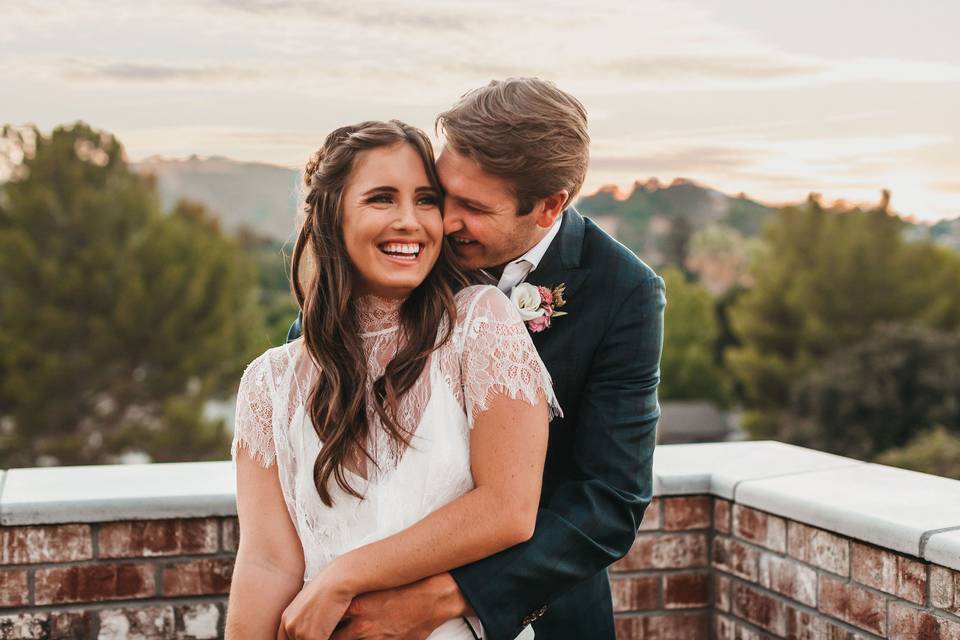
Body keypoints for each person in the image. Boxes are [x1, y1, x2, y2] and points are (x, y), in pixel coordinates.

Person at [286, 78, 667, 639]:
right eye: (444, 194)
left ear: (549, 205)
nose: (443, 220)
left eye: (473, 207)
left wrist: (444, 598)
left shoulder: (623, 291)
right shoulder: (413, 247)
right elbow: (310, 379)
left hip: (541, 614)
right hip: (355, 605)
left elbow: (608, 501)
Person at [226, 120, 561, 639]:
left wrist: (344, 576)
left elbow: (508, 509)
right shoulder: (269, 383)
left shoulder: (480, 324)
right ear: (332, 216)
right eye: (382, 198)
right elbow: (267, 564)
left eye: (426, 200)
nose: (410, 221)